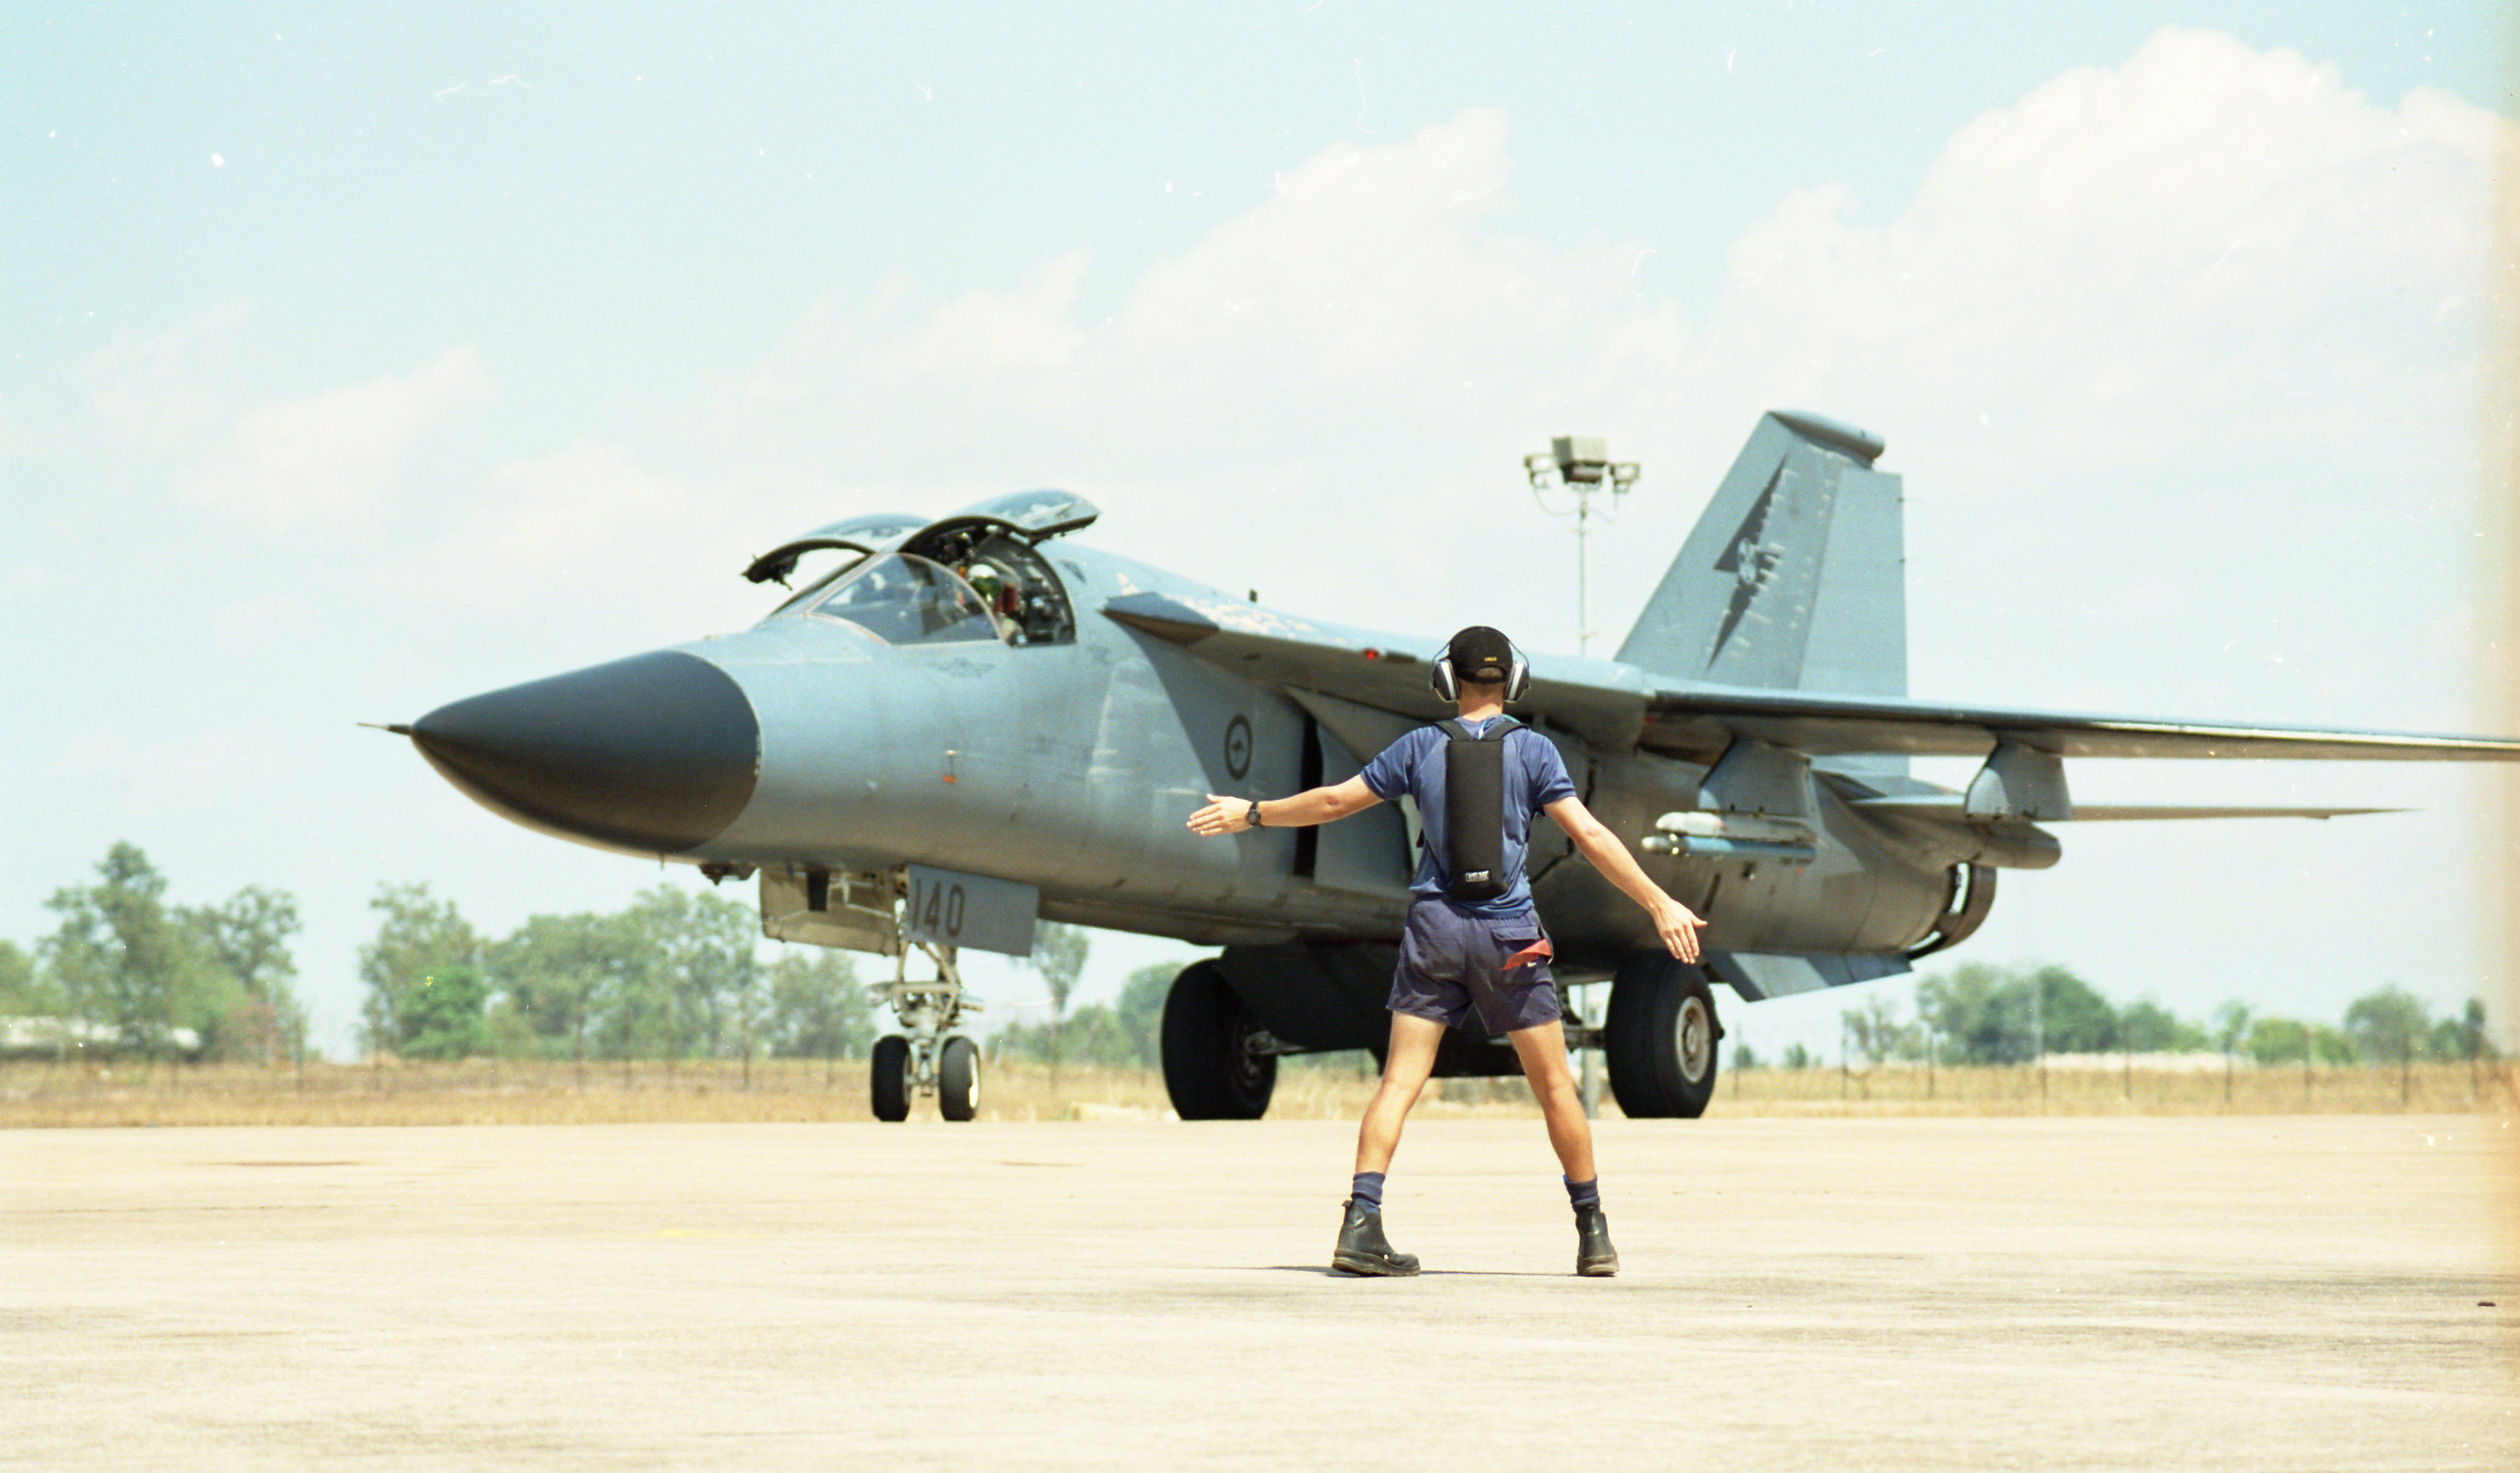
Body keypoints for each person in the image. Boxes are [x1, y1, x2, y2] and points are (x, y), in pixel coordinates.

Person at [1186, 625, 1705, 1278]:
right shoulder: (1535, 751)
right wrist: (1659, 902)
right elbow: (1592, 836)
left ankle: (1361, 1223)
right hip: (1510, 937)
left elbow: (1335, 801)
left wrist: (1254, 813)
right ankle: (1593, 1232)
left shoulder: (1419, 746)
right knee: (1554, 1086)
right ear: (1515, 681)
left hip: (1434, 930)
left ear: (1446, 680)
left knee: (1400, 1082)